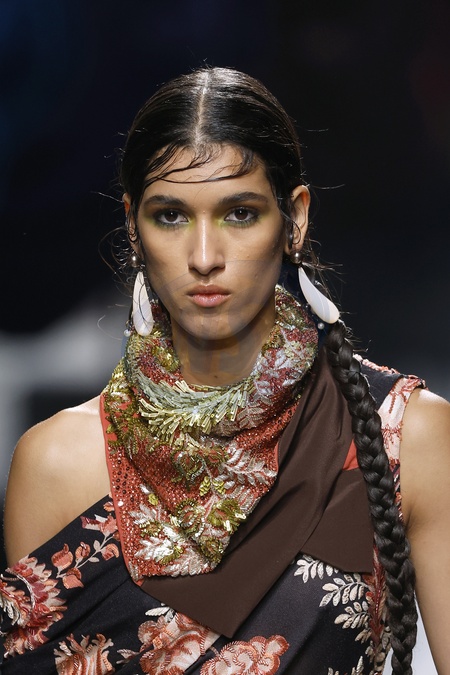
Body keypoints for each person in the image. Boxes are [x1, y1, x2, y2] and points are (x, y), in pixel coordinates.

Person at [1, 67, 449, 675]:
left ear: (295, 219)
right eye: (171, 216)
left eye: (239, 213)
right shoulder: (56, 466)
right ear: (133, 226)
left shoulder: (406, 438)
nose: (204, 257)